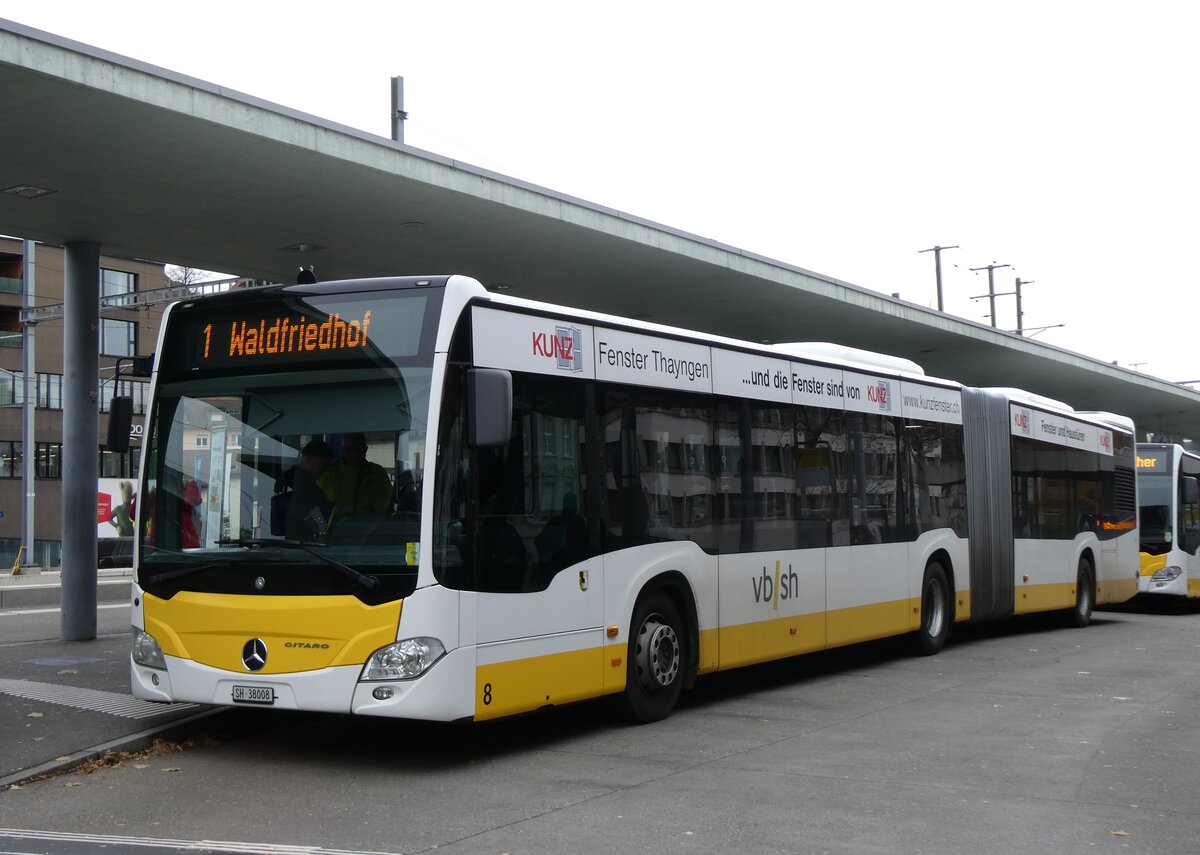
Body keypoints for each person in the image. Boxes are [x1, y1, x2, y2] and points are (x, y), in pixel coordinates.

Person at [319, 433, 393, 529]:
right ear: (342, 450)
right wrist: (335, 511)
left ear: (365, 450)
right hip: (334, 532)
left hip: (370, 530)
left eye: (359, 449)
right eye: (350, 450)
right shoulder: (328, 472)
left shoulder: (377, 473)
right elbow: (317, 504)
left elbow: (387, 505)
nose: (354, 453)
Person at [278, 439, 335, 541]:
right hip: (305, 545)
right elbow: (317, 517)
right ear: (309, 459)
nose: (326, 470)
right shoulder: (303, 486)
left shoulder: (285, 480)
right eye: (324, 464)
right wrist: (336, 511)